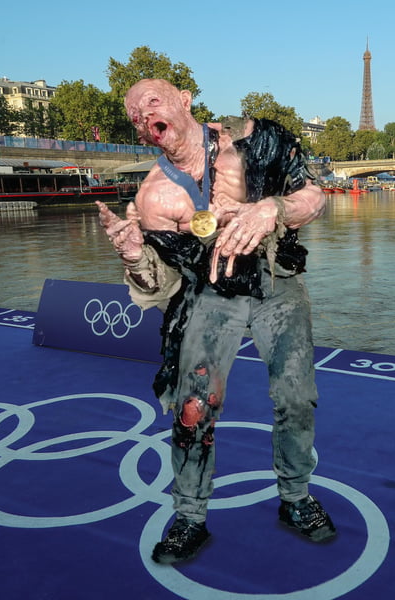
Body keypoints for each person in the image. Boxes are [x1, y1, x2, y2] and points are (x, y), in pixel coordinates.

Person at [97, 78, 336, 564]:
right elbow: (159, 283)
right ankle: (189, 516)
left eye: (153, 102)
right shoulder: (155, 198)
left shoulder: (254, 139)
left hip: (275, 279)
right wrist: (133, 255)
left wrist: (272, 207)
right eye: (134, 114)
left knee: (295, 396)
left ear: (185, 101)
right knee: (193, 407)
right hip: (210, 292)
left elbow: (314, 197)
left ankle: (295, 498)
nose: (144, 115)